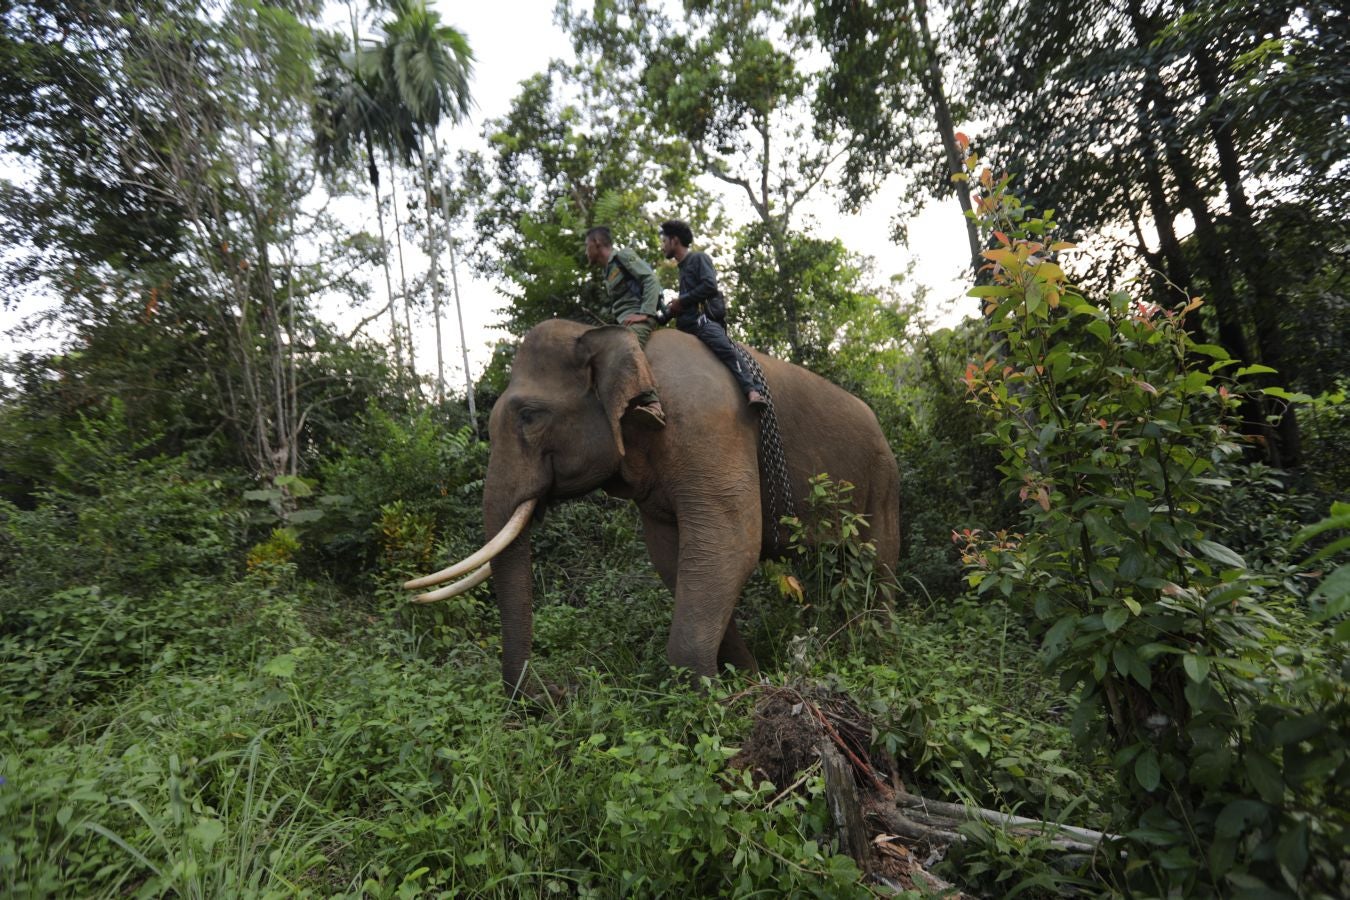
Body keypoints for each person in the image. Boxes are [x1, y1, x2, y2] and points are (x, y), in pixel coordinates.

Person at [657, 219, 767, 410]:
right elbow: (682, 304)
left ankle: (752, 390)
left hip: (702, 322)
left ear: (674, 241)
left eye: (664, 241)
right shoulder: (682, 268)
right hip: (685, 325)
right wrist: (658, 317)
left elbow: (709, 286)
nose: (662, 246)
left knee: (726, 350)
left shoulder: (698, 258)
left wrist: (682, 301)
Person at [584, 226, 665, 426]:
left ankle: (654, 404)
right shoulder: (608, 271)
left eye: (587, 246)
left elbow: (651, 280)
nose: (586, 251)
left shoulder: (622, 256)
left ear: (596, 243)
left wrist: (645, 313)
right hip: (624, 323)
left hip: (640, 319)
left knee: (624, 346)